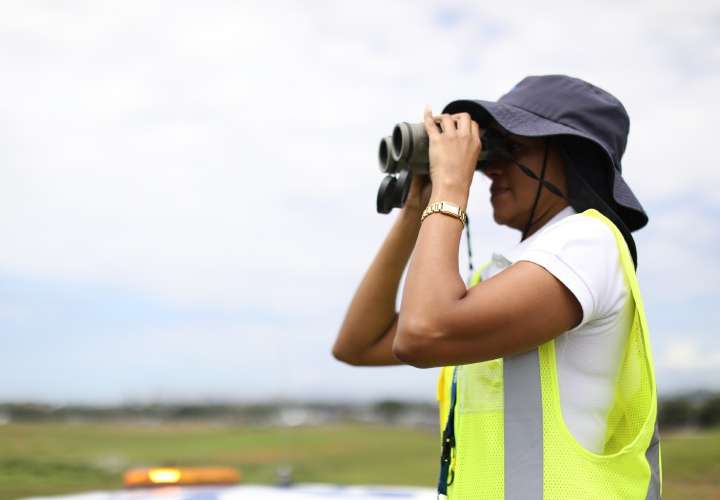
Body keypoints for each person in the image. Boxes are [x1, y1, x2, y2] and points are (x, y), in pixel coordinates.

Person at [333, 75, 660, 499]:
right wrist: (415, 209)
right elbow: (356, 345)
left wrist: (451, 187)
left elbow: (421, 332)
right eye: (489, 151)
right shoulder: (494, 279)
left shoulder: (588, 242)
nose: (489, 169)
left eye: (513, 149)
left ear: (571, 157)